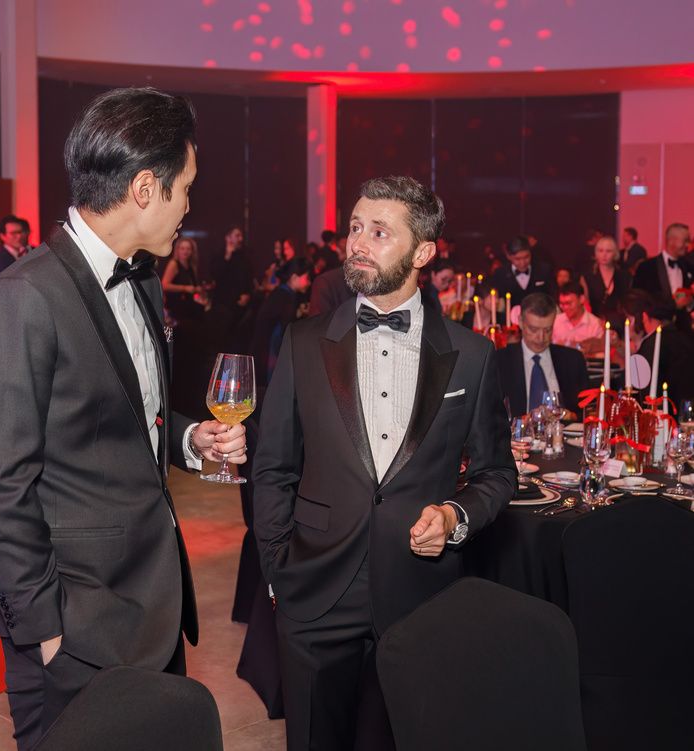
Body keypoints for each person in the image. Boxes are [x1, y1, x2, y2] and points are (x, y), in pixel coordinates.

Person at [0, 87, 246, 751]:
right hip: (79, 624)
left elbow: (127, 410)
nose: (189, 206)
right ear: (145, 188)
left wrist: (187, 438)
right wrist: (44, 629)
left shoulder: (142, 280)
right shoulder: (24, 298)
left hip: (152, 605)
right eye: (185, 189)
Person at [253, 175, 515, 751]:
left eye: (378, 232)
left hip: (420, 595)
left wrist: (455, 516)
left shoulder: (471, 355)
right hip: (316, 591)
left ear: (423, 253)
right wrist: (278, 569)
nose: (357, 243)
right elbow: (272, 468)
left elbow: (496, 473)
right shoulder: (303, 343)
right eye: (354, 228)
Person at [496, 292, 589, 418]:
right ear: (521, 322)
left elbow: (585, 412)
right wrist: (520, 422)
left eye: (547, 330)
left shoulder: (573, 360)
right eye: (533, 330)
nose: (541, 338)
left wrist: (572, 417)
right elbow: (489, 415)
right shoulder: (500, 361)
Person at [251, 257, 310, 387]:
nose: (308, 282)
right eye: (306, 277)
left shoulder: (281, 294)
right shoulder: (284, 296)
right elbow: (284, 330)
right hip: (270, 356)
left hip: (266, 353)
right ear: (294, 277)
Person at [627, 293, 694, 409]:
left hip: (664, 412)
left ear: (644, 317)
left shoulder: (650, 347)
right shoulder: (681, 336)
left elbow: (644, 392)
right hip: (686, 408)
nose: (627, 326)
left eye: (629, 319)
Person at [633, 222, 693, 306]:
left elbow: (687, 296)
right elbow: (637, 299)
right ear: (671, 241)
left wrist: (689, 302)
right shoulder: (647, 267)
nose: (688, 244)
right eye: (685, 240)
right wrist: (672, 304)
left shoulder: (688, 266)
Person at [209, 225, 254, 332]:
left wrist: (248, 294)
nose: (241, 239)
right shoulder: (219, 255)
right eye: (237, 236)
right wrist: (227, 256)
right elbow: (216, 275)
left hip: (240, 306)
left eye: (241, 236)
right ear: (228, 238)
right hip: (223, 305)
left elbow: (249, 277)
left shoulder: (244, 256)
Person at [583, 235, 631, 327]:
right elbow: (585, 304)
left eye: (608, 251)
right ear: (596, 253)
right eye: (600, 251)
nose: (604, 255)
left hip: (620, 324)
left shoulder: (624, 276)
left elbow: (627, 304)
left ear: (615, 253)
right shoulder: (588, 276)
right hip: (594, 324)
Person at [489, 235, 555, 303]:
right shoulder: (500, 274)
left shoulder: (543, 270)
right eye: (517, 259)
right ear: (508, 256)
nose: (523, 263)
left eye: (526, 257)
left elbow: (552, 296)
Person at [161, 235, 205, 325]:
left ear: (192, 251)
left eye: (188, 249)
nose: (185, 251)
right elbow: (164, 285)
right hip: (176, 307)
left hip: (188, 305)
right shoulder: (174, 264)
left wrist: (197, 290)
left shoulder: (191, 265)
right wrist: (185, 288)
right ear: (177, 250)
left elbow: (192, 286)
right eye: (182, 248)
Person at [553, 283, 605, 351]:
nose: (565, 308)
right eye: (562, 304)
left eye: (569, 303)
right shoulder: (555, 321)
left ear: (581, 299)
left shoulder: (595, 325)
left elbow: (601, 351)